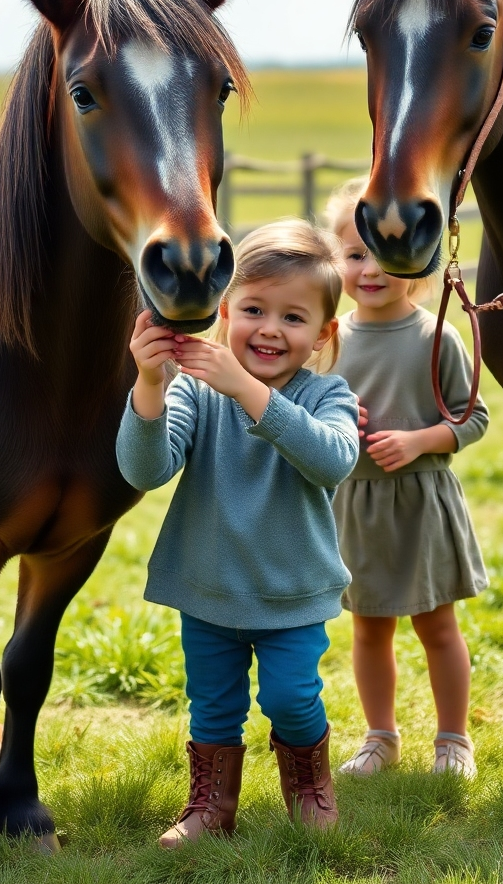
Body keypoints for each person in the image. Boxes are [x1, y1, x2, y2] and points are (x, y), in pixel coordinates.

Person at [116, 220, 359, 847]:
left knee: (291, 698)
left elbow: (333, 459)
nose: (271, 328)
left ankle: (309, 788)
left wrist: (248, 390)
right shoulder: (196, 394)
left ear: (323, 334)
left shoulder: (329, 395)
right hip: (208, 588)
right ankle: (210, 808)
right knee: (213, 707)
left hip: (292, 594)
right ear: (225, 312)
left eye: (294, 317)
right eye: (254, 309)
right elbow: (144, 468)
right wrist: (149, 383)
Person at [326, 178, 488, 780]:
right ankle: (380, 737)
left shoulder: (436, 335)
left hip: (421, 503)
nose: (370, 270)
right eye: (355, 254)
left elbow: (473, 416)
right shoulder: (328, 339)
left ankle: (454, 739)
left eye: (387, 256)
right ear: (336, 259)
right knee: (368, 630)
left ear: (419, 260)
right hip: (355, 505)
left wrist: (421, 440)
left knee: (438, 625)